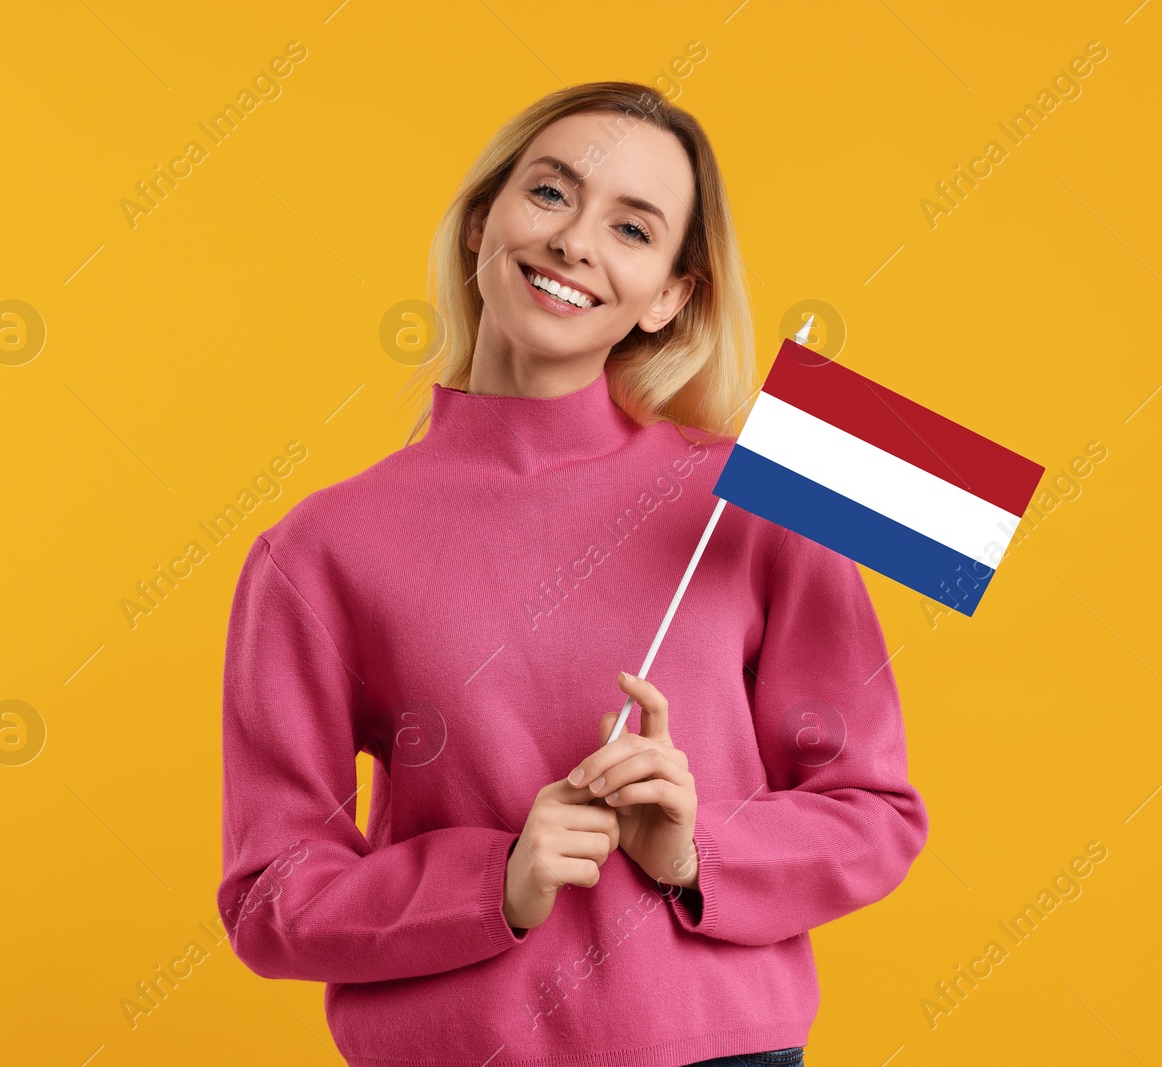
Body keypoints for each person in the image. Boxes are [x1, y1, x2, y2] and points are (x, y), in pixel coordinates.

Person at [217, 80, 928, 1067]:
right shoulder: (319, 550)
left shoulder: (751, 502)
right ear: (480, 222)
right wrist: (495, 878)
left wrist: (689, 849)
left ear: (671, 296)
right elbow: (269, 893)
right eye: (551, 194)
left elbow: (873, 812)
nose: (575, 241)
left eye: (632, 229)